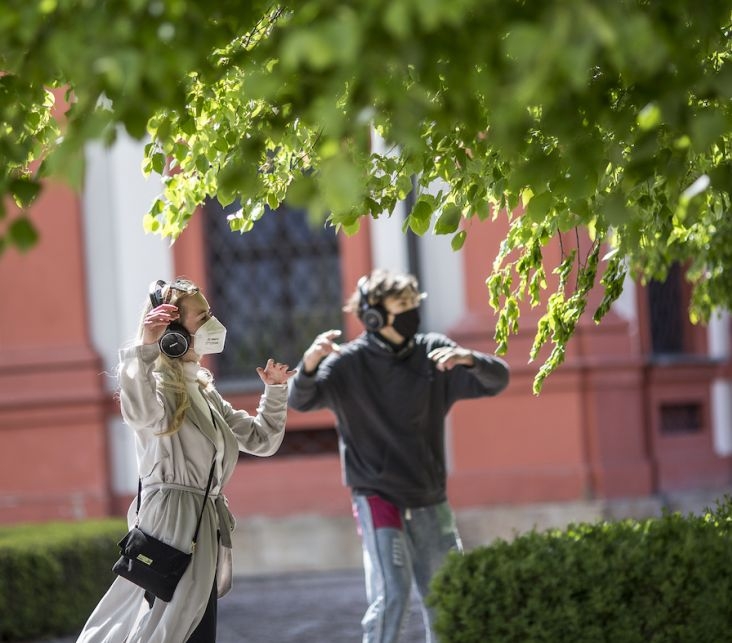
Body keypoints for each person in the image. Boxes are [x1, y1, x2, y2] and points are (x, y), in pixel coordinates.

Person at [288, 268, 510, 643]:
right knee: (392, 593)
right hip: (377, 497)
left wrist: (468, 358)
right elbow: (301, 399)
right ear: (373, 315)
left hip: (428, 496)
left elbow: (497, 379)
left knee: (446, 597)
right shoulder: (348, 364)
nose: (411, 310)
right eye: (401, 304)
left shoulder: (434, 353)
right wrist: (309, 364)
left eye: (413, 303)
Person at [78, 277, 295, 643]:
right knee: (160, 630)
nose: (213, 322)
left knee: (192, 626)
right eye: (203, 316)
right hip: (171, 520)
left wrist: (274, 392)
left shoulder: (202, 388)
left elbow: (261, 439)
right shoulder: (160, 385)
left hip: (204, 522)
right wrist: (144, 347)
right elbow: (140, 413)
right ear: (174, 333)